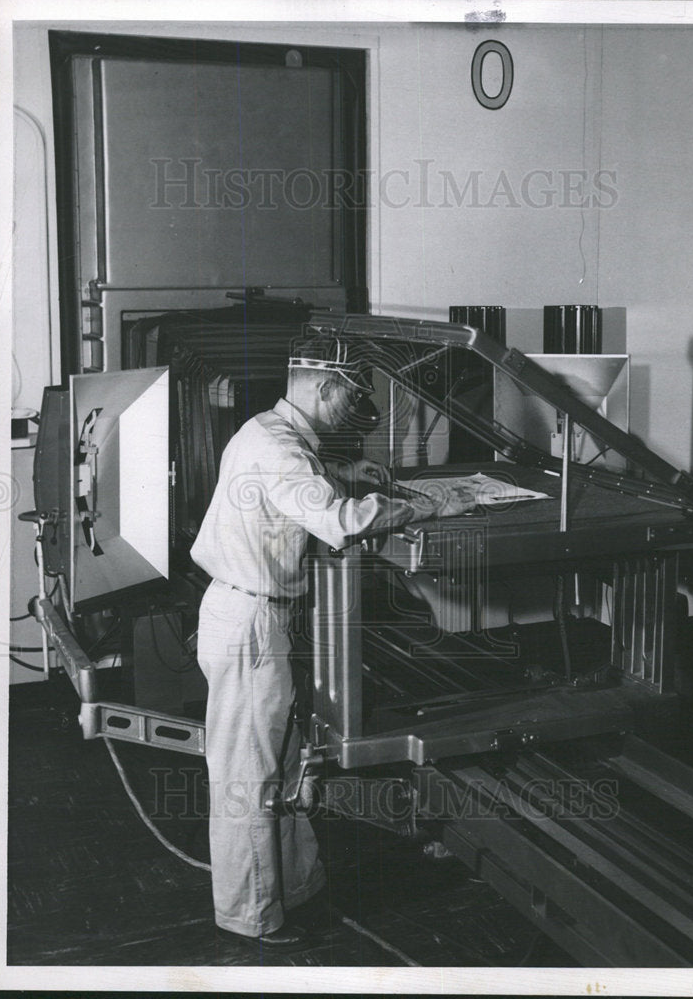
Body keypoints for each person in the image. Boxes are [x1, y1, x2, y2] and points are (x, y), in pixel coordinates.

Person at [190, 336, 475, 951]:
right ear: (324, 387)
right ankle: (251, 919)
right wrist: (429, 506)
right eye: (351, 393)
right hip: (251, 624)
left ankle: (294, 887)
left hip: (254, 617)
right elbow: (339, 522)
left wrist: (343, 473)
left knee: (283, 765)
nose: (352, 406)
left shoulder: (269, 431)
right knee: (250, 776)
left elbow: (286, 487)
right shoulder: (280, 448)